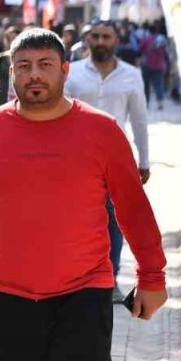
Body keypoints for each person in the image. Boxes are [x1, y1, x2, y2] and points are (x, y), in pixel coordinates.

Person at [0, 29, 168, 361]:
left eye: (44, 65)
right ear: (12, 73)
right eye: (23, 66)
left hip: (83, 293)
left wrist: (152, 277)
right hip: (9, 295)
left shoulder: (102, 129)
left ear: (65, 70)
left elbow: (132, 206)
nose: (34, 75)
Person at [64, 20, 151, 295]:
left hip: (116, 160)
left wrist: (144, 161)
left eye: (106, 37)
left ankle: (109, 277)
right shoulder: (72, 73)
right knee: (77, 217)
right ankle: (75, 275)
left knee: (115, 219)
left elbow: (139, 119)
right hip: (75, 160)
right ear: (87, 39)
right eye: (96, 36)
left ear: (117, 40)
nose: (101, 41)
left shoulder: (131, 75)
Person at [140, 27, 169, 110]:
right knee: (159, 84)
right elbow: (165, 52)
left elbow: (140, 49)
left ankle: (146, 103)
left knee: (146, 85)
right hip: (159, 65)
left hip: (147, 65)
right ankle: (160, 103)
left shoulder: (145, 39)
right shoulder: (162, 39)